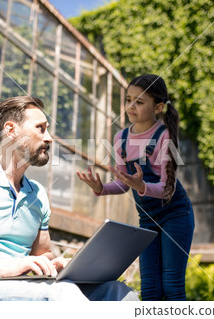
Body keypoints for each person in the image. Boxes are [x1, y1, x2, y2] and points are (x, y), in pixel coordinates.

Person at [0, 96, 138, 301]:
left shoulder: (38, 194)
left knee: (117, 292)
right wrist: (3, 267)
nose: (49, 138)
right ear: (10, 130)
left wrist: (53, 264)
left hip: (18, 288)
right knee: (61, 294)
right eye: (40, 128)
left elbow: (42, 254)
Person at [77, 75, 195, 301]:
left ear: (158, 107)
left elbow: (166, 188)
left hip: (175, 214)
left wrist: (141, 185)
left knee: (171, 285)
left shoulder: (164, 136)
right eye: (128, 99)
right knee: (149, 288)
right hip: (148, 218)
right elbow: (123, 183)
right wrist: (101, 188)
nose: (131, 106)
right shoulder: (121, 138)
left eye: (139, 102)